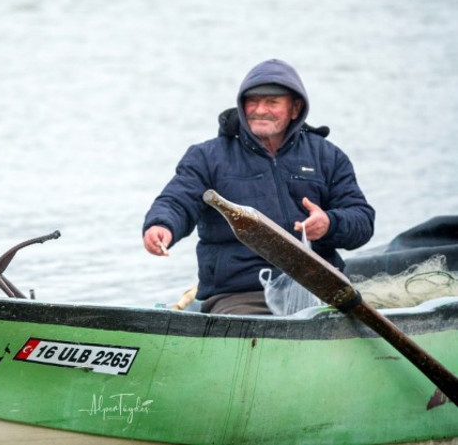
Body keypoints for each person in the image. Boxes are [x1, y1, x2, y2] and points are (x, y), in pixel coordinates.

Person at [142, 59, 375, 315]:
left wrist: (329, 224)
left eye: (272, 102)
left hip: (321, 290)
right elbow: (177, 201)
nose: (259, 109)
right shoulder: (207, 157)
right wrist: (160, 226)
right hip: (239, 294)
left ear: (295, 109)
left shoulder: (327, 156)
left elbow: (362, 220)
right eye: (252, 101)